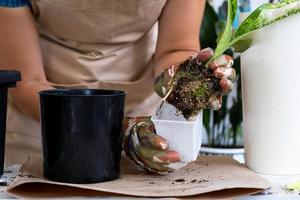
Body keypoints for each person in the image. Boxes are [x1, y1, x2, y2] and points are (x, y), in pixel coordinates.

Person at [0, 0, 235, 174]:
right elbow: (26, 80)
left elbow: (176, 48)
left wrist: (185, 80)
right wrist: (118, 129)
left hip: (145, 131)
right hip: (45, 128)